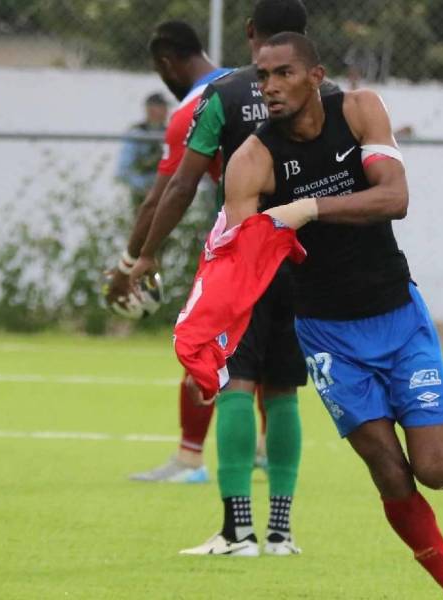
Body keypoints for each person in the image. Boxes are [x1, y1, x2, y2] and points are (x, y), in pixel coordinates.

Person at [174, 32, 443, 598]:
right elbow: (234, 263)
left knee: (433, 469)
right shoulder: (253, 159)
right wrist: (210, 346)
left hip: (397, 314)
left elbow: (395, 198)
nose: (270, 87)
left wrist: (308, 207)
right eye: (263, 76)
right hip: (326, 335)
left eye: (284, 73)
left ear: (315, 76)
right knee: (388, 470)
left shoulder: (361, 110)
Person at [129, 0, 321, 556]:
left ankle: (237, 531)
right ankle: (282, 533)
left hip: (244, 256)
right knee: (283, 389)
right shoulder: (329, 97)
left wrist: (146, 254)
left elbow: (184, 183)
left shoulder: (226, 94)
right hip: (308, 258)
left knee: (237, 379)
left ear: (248, 32)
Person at [107, 20, 232, 483]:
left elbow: (162, 196)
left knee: (203, 342)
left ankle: (189, 460)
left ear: (165, 63)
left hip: (246, 241)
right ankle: (262, 446)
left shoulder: (194, 110)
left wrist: (131, 263)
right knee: (272, 356)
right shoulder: (252, 83)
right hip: (301, 231)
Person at [116, 92, 168, 208]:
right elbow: (123, 170)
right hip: (142, 193)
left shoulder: (169, 133)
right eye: (161, 106)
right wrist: (144, 187)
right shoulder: (136, 134)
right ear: (150, 109)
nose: (165, 111)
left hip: (166, 194)